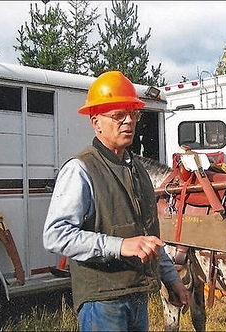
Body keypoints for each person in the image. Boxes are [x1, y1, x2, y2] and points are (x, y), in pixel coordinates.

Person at [43, 71, 189, 331]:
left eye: (133, 114)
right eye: (118, 115)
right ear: (96, 122)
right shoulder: (81, 169)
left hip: (137, 295)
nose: (128, 122)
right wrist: (120, 246)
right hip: (102, 300)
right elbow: (56, 235)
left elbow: (148, 236)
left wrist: (171, 279)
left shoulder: (139, 170)